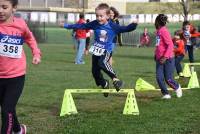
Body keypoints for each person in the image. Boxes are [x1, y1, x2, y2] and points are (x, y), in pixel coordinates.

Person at [60, 3, 138, 94]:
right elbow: (81, 26)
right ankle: (104, 83)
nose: (99, 18)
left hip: (106, 50)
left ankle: (116, 79)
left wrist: (134, 25)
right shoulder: (94, 24)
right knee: (95, 72)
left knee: (102, 62)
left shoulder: (113, 26)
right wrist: (66, 26)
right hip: (96, 50)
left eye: (101, 16)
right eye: (97, 16)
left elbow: (125, 29)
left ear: (108, 16)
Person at [0, 0, 41, 133]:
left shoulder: (20, 24)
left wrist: (36, 53)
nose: (0, 10)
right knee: (8, 108)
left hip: (16, 76)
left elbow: (30, 38)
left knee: (6, 109)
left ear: (14, 8)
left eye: (4, 7)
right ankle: (19, 130)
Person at [154, 14, 182, 99]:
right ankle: (166, 94)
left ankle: (177, 87)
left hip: (168, 58)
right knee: (159, 78)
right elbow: (158, 45)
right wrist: (156, 54)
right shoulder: (158, 31)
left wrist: (165, 57)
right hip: (160, 59)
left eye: (155, 21)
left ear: (157, 21)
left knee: (168, 79)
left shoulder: (164, 31)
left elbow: (170, 45)